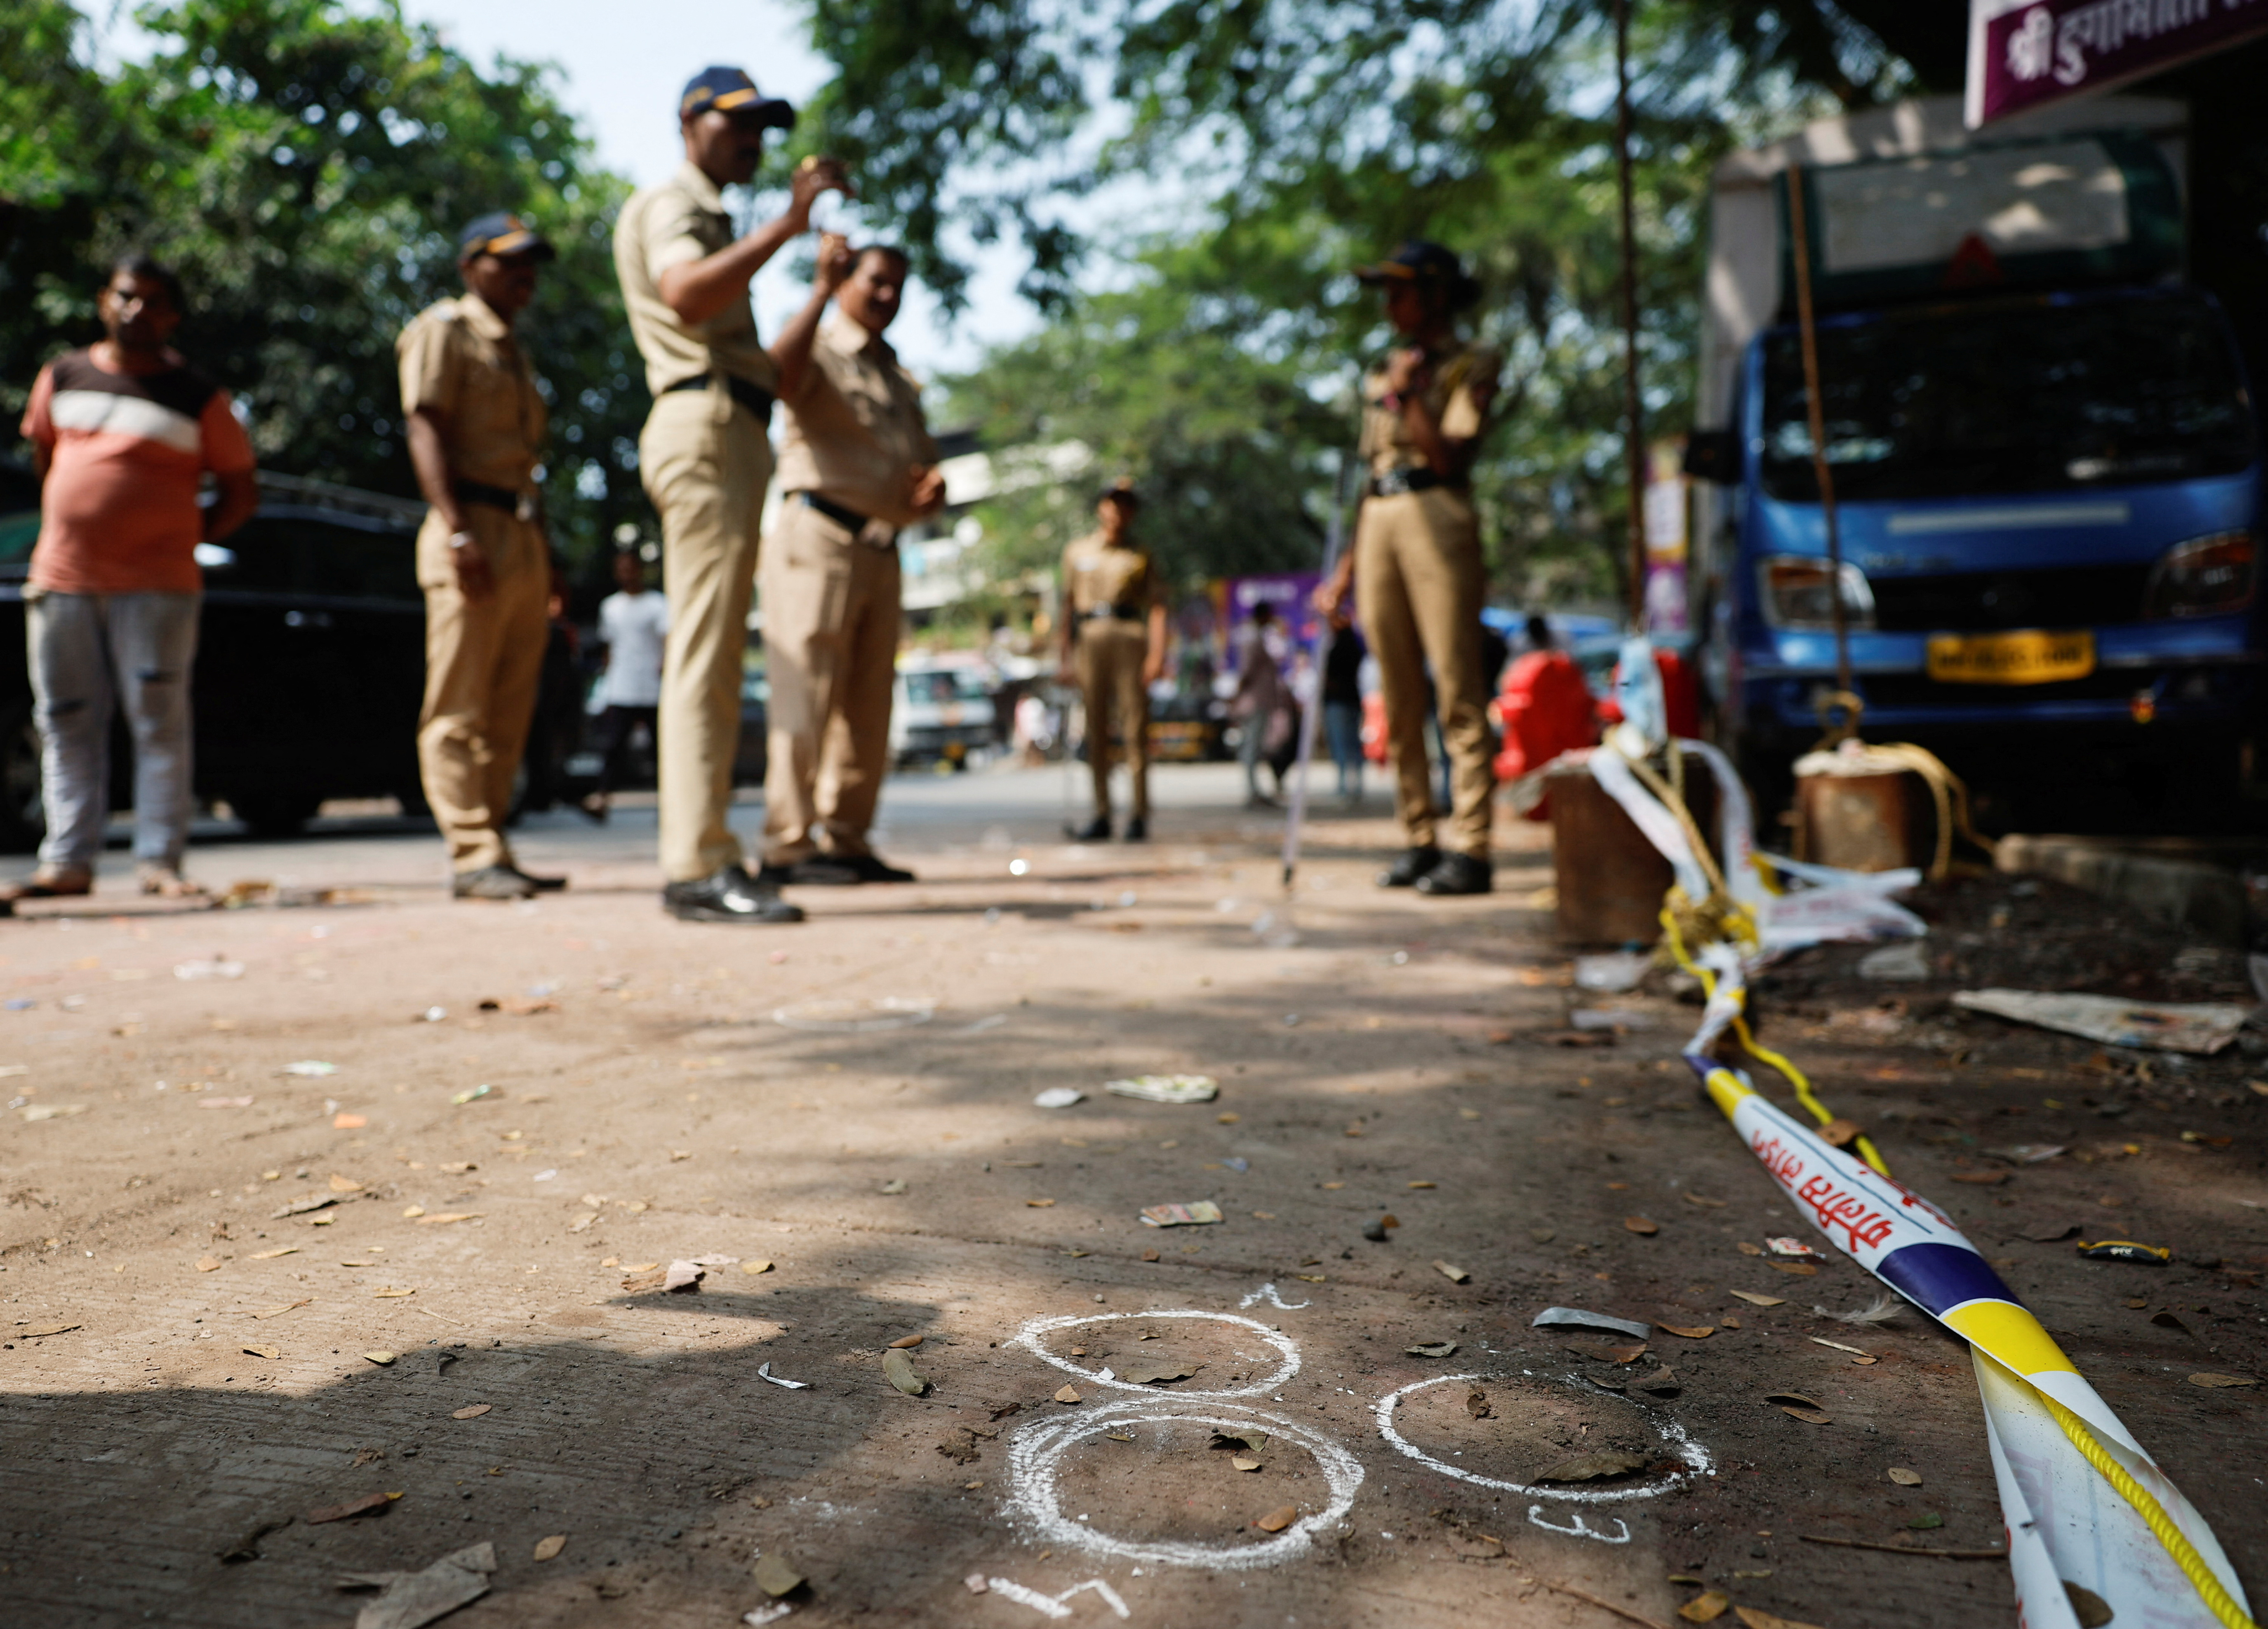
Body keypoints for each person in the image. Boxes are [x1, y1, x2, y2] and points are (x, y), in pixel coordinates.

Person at [615, 66, 849, 925]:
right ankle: (697, 864)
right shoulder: (677, 206)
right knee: (705, 656)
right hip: (704, 425)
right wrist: (790, 224)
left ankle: (706, 851)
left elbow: (774, 375)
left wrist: (815, 276)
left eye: (762, 127)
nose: (752, 140)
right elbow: (684, 294)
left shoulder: (711, 215)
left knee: (713, 654)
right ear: (688, 122)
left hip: (730, 425)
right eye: (735, 123)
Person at [5, 254, 257, 902]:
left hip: (159, 586)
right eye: (126, 296)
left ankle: (160, 862)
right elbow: (46, 457)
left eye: (152, 300)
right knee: (64, 720)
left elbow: (239, 489)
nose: (136, 309)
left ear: (172, 316)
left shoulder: (198, 396)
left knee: (159, 723)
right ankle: (67, 861)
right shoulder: (63, 375)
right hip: (63, 578)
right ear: (102, 301)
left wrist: (180, 535)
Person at [1314, 240, 1502, 896]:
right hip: (1382, 523)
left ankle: (1472, 845)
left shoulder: (1470, 363)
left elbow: (1449, 457)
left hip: (1439, 514)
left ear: (1437, 294)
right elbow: (1374, 477)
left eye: (1402, 291)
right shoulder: (1382, 371)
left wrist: (1407, 397)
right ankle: (1419, 835)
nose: (1390, 305)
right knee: (1396, 692)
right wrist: (1342, 574)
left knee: (1457, 685)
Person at [758, 240, 943, 885]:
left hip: (884, 548)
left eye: (898, 285)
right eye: (874, 281)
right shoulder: (819, 345)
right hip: (818, 538)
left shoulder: (898, 375)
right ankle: (787, 844)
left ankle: (847, 839)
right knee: (804, 694)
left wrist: (928, 495)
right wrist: (817, 290)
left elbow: (918, 466)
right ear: (845, 280)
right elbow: (776, 377)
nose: (887, 295)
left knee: (868, 704)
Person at [397, 212, 565, 901]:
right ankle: (470, 850)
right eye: (509, 260)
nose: (525, 274)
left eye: (532, 262)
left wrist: (544, 555)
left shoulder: (514, 349)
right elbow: (425, 425)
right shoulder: (445, 330)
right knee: (459, 705)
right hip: (468, 527)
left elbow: (528, 465)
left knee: (509, 706)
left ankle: (493, 842)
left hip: (518, 531)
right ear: (471, 266)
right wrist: (458, 528)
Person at [1059, 482, 1165, 841]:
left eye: (1126, 506)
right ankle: (1102, 813)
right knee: (1095, 731)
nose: (1119, 512)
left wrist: (1157, 654)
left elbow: (1158, 607)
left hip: (1129, 637)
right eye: (1113, 505)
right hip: (1089, 639)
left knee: (1135, 729)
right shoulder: (1077, 552)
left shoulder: (1140, 554)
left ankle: (1139, 813)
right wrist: (1065, 659)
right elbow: (1067, 607)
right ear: (1101, 508)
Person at [583, 548, 670, 821]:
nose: (627, 573)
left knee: (661, 750)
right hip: (622, 687)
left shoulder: (658, 604)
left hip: (654, 688)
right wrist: (605, 684)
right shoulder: (611, 606)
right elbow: (609, 646)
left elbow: (669, 641)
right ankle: (603, 796)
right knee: (614, 746)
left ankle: (668, 804)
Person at [1230, 600, 1290, 808]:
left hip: (1259, 700)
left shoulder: (1257, 637)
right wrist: (1237, 695)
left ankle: (1254, 790)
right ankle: (1252, 791)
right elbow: (1247, 672)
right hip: (1254, 702)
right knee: (1252, 748)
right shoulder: (1253, 638)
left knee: (1257, 747)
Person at [1322, 616, 1367, 805]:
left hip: (1338, 702)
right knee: (1353, 744)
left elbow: (1329, 678)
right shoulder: (1355, 648)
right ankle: (1355, 784)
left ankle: (1344, 785)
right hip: (1352, 700)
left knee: (1341, 744)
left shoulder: (1337, 649)